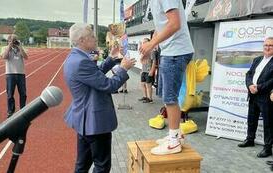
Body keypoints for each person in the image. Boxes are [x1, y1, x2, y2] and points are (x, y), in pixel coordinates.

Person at [63, 23, 135, 173]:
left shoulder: (76, 57)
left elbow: (96, 74)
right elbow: (109, 85)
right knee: (102, 166)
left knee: (82, 165)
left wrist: (110, 57)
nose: (96, 38)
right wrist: (123, 69)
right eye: (92, 36)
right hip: (94, 121)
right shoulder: (81, 61)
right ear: (82, 40)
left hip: (84, 121)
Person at [139, 0, 194, 155]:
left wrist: (150, 45)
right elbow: (161, 27)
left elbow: (174, 24)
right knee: (167, 97)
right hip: (172, 51)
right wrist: (152, 45)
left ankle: (174, 142)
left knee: (170, 98)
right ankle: (176, 135)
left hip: (176, 52)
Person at [238, 37, 273, 158]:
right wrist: (249, 86)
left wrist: (259, 87)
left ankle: (268, 148)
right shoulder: (257, 59)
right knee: (251, 119)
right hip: (252, 94)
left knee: (268, 123)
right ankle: (250, 139)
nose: (267, 47)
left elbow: (272, 80)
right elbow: (249, 74)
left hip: (265, 97)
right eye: (266, 45)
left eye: (270, 45)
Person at [1, 34, 28, 118]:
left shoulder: (20, 48)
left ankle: (23, 109)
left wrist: (20, 47)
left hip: (21, 74)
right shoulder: (5, 48)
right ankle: (10, 111)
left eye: (15, 40)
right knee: (10, 94)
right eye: (12, 40)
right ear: (8, 41)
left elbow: (26, 57)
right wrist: (9, 46)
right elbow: (4, 57)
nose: (14, 42)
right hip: (10, 74)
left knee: (23, 93)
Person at [138, 38, 156, 103]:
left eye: (145, 42)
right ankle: (145, 97)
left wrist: (152, 71)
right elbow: (141, 61)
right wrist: (142, 70)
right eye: (143, 42)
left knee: (148, 85)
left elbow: (154, 61)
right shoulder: (144, 51)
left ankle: (150, 99)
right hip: (144, 70)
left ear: (149, 42)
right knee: (142, 84)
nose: (144, 43)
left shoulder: (152, 51)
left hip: (149, 70)